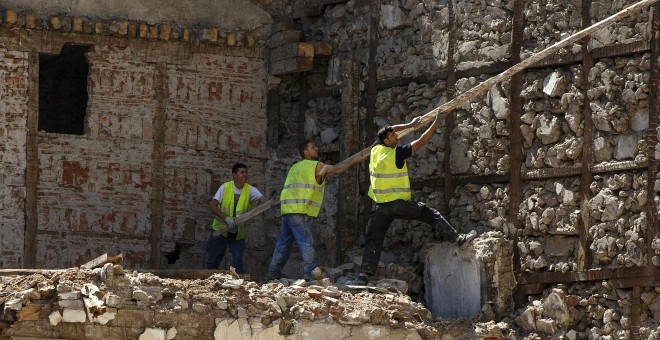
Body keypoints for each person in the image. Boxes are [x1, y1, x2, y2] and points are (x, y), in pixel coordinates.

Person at [352, 115, 477, 285]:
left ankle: (363, 276)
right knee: (429, 214)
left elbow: (391, 129)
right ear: (387, 140)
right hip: (398, 204)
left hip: (381, 206)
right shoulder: (396, 153)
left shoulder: (375, 150)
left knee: (374, 239)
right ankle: (458, 240)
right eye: (394, 136)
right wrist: (435, 124)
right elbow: (421, 141)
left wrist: (409, 125)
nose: (397, 136)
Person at [266, 140, 355, 280]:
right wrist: (355, 160)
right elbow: (336, 170)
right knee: (306, 240)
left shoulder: (295, 167)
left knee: (283, 243)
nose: (317, 149)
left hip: (287, 209)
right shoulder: (315, 165)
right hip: (299, 210)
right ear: (305, 152)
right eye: (313, 147)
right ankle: (309, 271)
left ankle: (273, 272)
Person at [206, 162, 266, 273]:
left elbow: (263, 200)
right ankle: (208, 281)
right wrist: (226, 218)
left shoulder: (250, 190)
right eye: (242, 172)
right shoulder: (225, 187)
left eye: (246, 172)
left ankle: (239, 284)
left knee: (237, 260)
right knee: (213, 260)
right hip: (221, 230)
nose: (245, 175)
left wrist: (264, 203)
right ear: (234, 174)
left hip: (237, 233)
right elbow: (212, 206)